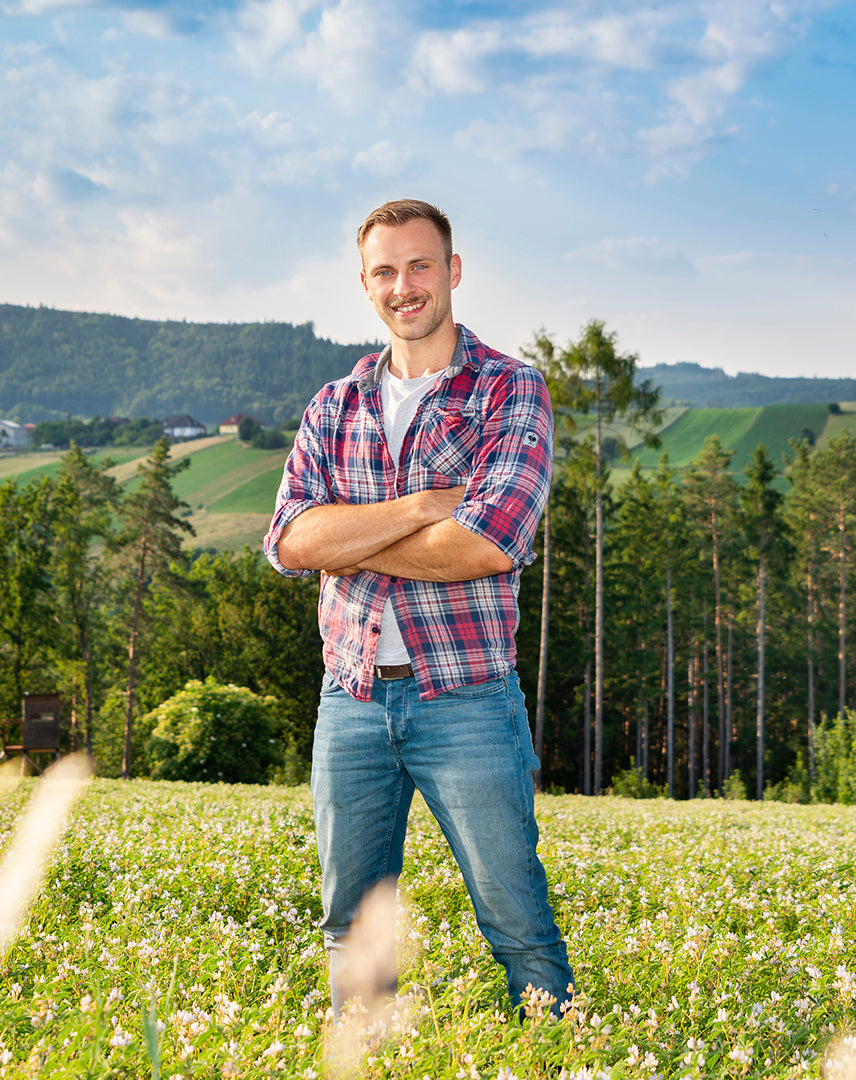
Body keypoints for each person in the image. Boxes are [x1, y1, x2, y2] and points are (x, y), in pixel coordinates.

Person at [263, 198, 573, 1016]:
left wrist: (349, 539)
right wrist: (418, 508)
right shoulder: (334, 404)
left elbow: (487, 543)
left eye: (419, 265)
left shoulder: (510, 390)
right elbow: (290, 541)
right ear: (365, 286)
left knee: (515, 920)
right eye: (385, 271)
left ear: (452, 271)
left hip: (466, 694)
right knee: (349, 923)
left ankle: (556, 1058)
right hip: (351, 695)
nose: (404, 286)